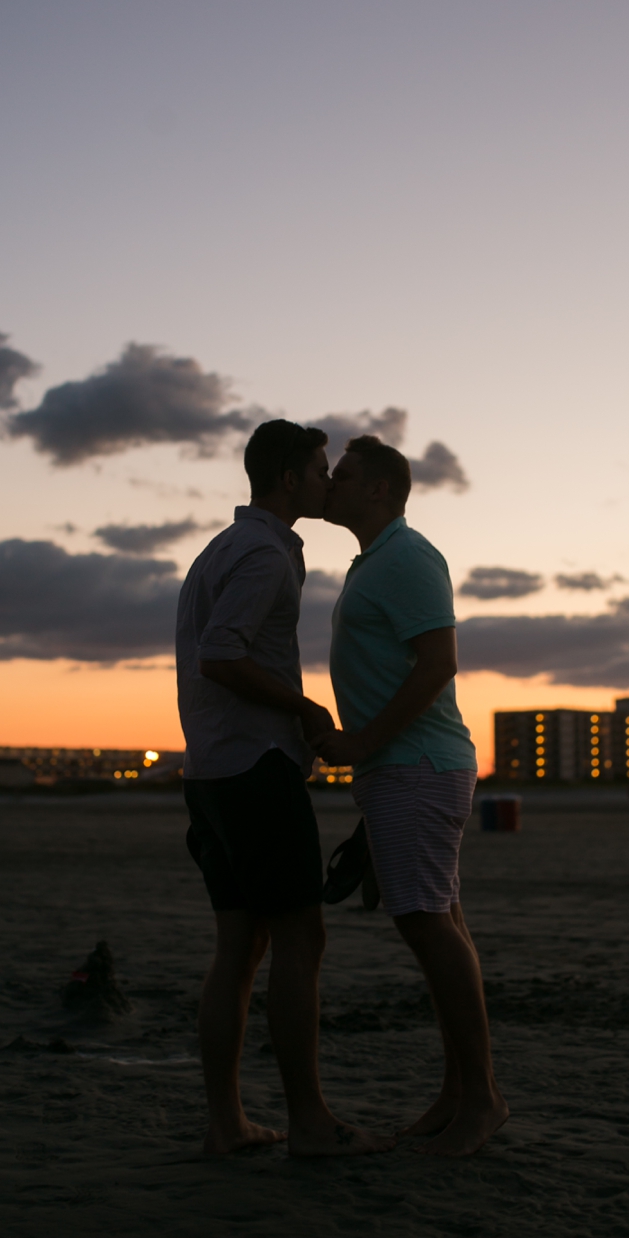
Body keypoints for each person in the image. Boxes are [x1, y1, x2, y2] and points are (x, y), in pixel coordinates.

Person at [175, 419, 394, 1158]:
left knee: (239, 944)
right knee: (302, 933)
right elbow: (219, 654)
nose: (329, 481)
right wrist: (303, 709)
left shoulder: (219, 549)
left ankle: (226, 1123)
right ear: (292, 479)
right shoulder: (266, 554)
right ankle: (308, 1122)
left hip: (209, 771)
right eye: (320, 468)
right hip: (253, 767)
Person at [313, 434, 509, 1157]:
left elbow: (438, 663)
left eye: (348, 474)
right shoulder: (373, 561)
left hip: (417, 764)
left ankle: (482, 1097)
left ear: (381, 491)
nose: (332, 482)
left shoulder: (409, 556)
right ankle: (459, 1092)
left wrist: (364, 742)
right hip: (403, 768)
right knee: (441, 925)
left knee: (429, 926)